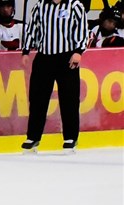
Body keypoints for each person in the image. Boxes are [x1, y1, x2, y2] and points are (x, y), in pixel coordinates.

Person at [21, 0, 88, 153]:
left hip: (67, 57)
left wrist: (78, 51)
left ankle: (70, 137)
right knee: (37, 99)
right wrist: (26, 51)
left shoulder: (75, 5)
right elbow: (32, 29)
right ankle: (33, 137)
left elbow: (82, 29)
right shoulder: (40, 5)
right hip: (44, 57)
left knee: (69, 99)